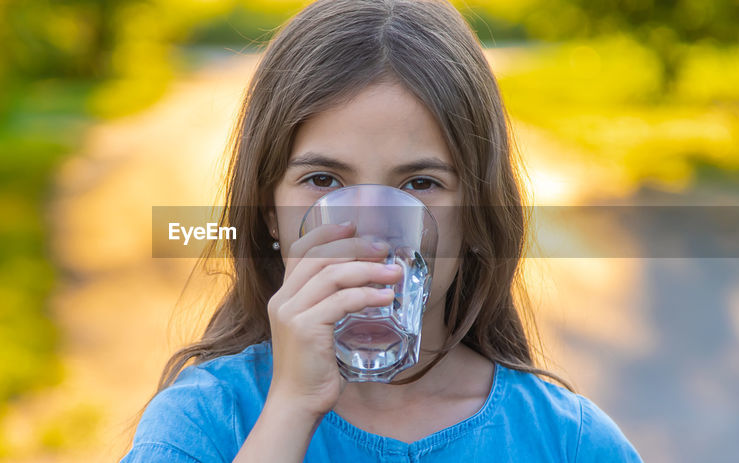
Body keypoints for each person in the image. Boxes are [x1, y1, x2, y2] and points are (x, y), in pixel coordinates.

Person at [122, 0, 642, 461]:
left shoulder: (570, 442)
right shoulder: (201, 426)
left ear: (479, 217)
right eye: (324, 180)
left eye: (419, 183)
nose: (373, 233)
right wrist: (292, 408)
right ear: (266, 213)